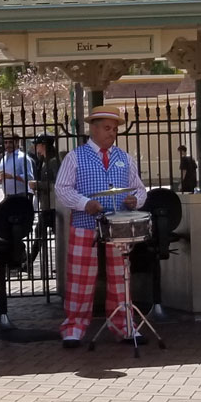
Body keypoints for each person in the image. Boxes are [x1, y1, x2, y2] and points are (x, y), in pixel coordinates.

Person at [55, 106, 148, 348]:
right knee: (80, 278)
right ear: (93, 129)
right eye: (107, 128)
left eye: (115, 129)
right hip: (85, 224)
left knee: (120, 277)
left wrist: (135, 200)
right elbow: (62, 189)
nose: (112, 133)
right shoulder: (75, 157)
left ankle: (125, 325)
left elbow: (139, 188)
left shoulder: (125, 158)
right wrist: (85, 203)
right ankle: (74, 328)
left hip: (118, 227)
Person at [27, 135, 60, 269]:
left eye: (38, 144)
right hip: (47, 204)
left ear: (44, 145)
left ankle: (28, 262)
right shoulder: (43, 161)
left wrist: (38, 185)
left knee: (42, 233)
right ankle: (28, 262)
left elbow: (56, 184)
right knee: (40, 233)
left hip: (52, 205)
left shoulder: (53, 162)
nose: (36, 147)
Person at [0, 133, 34, 201]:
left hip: (20, 196)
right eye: (5, 142)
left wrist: (12, 176)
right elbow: (1, 178)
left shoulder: (22, 158)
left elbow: (30, 177)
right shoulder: (3, 159)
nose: (8, 145)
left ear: (17, 142)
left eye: (10, 142)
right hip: (7, 196)